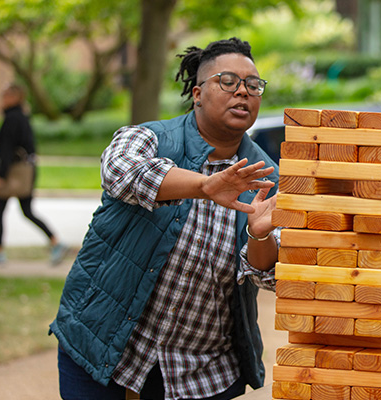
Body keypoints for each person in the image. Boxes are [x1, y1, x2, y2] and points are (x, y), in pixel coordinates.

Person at [50, 37, 280, 400]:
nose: (243, 92)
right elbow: (120, 173)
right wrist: (206, 185)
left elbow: (270, 277)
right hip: (105, 348)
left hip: (200, 372)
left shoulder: (267, 176)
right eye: (229, 81)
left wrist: (260, 237)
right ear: (198, 93)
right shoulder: (148, 138)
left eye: (253, 85)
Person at [0, 83, 68, 266]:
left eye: (5, 96)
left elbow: (6, 149)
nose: (1, 100)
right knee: (26, 211)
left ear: (14, 98)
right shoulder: (21, 116)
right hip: (25, 171)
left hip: (14, 172)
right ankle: (56, 242)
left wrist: (1, 174)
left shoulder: (12, 119)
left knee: (1, 210)